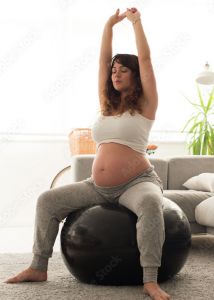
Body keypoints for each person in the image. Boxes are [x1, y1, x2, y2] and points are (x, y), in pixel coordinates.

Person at [5, 8, 170, 300]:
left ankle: (150, 280)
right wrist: (108, 25)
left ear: (135, 75)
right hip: (98, 187)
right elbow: (101, 61)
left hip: (136, 183)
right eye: (114, 70)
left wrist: (135, 23)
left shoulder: (146, 104)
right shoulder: (107, 103)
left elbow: (146, 60)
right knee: (47, 200)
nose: (115, 73)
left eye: (123, 69)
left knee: (149, 203)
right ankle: (38, 266)